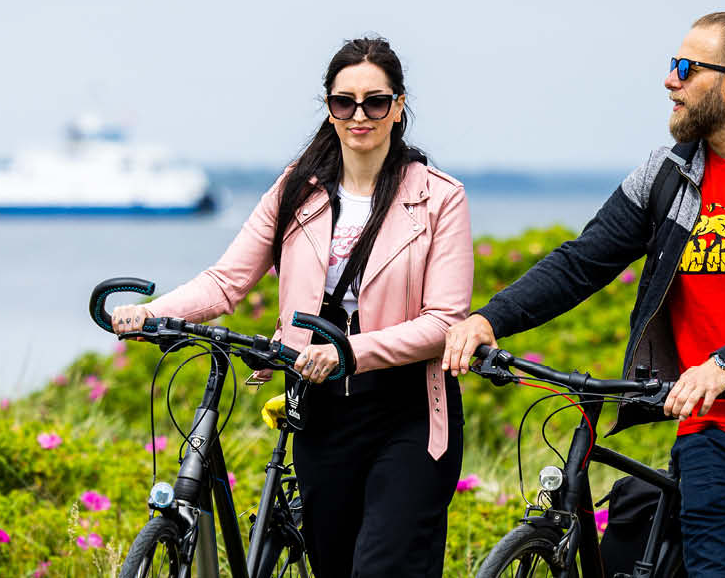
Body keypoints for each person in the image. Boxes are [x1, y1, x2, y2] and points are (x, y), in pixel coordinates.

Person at [443, 12, 725, 577]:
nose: (669, 81)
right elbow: (584, 260)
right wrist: (489, 319)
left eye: (685, 68)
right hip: (714, 433)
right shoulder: (666, 175)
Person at [113, 37, 473, 578]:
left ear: (398, 108)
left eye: (375, 102)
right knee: (332, 565)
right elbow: (227, 281)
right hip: (320, 408)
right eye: (343, 102)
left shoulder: (440, 197)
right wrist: (154, 312)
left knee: (382, 566)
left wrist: (349, 352)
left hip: (409, 411)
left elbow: (444, 323)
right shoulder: (294, 189)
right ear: (329, 109)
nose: (359, 115)